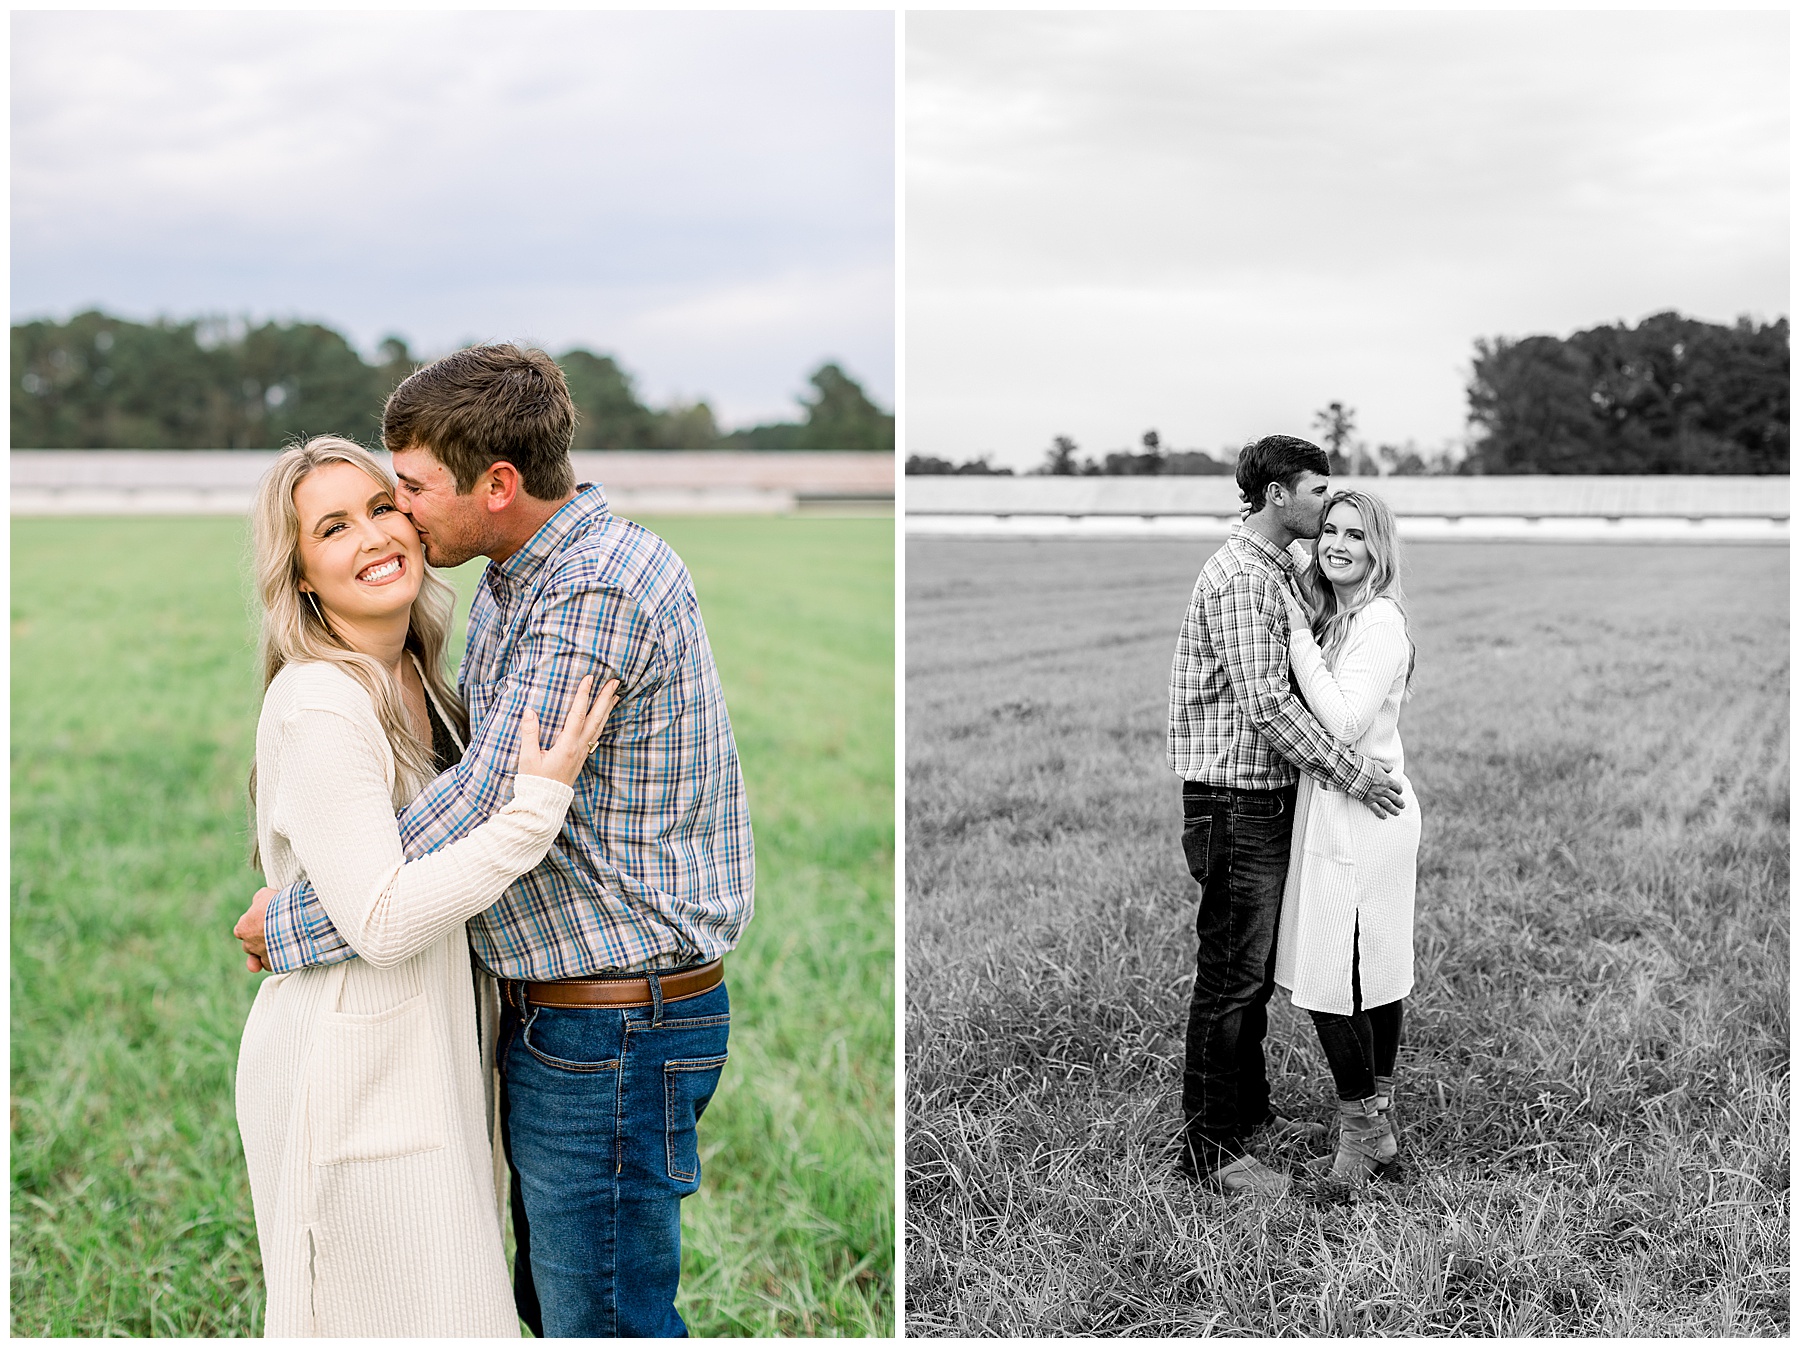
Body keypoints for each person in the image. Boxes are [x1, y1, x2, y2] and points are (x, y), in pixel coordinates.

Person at [233, 345, 755, 1337]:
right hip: (553, 1022)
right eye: (347, 518)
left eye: (405, 492)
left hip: (612, 1020)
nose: (400, 517)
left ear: (499, 486)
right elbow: (479, 801)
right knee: (553, 1308)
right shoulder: (515, 584)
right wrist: (348, 902)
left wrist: (298, 920)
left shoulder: (593, 587)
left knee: (600, 1319)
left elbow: (487, 800)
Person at [236, 436, 617, 1336]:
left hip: (429, 1056)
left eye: (381, 508)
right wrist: (533, 812)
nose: (374, 536)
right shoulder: (323, 702)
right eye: (333, 528)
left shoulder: (420, 679)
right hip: (352, 1071)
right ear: (301, 577)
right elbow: (381, 918)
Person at [1167, 434, 1406, 1198]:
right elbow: (1268, 706)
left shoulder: (1277, 569)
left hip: (1264, 799)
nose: (1326, 505)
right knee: (1232, 979)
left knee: (1253, 974)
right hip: (1236, 800)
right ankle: (1211, 1152)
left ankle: (1246, 1111)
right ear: (1278, 495)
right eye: (1317, 493)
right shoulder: (1244, 578)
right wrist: (1354, 774)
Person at [1274, 489, 1421, 1182]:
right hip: (1347, 809)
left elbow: (1345, 722)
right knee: (1366, 972)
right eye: (1329, 529)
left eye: (1355, 535)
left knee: (1336, 979)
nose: (1337, 543)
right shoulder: (1344, 617)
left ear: (1377, 548)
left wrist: (1297, 636)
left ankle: (1363, 1134)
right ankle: (1376, 1123)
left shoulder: (1378, 621)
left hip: (1367, 817)